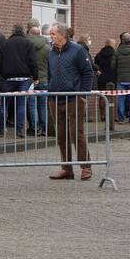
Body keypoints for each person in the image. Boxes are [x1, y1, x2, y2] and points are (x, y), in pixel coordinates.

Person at [47, 22, 94, 181]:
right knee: (61, 135)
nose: (51, 36)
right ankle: (66, 168)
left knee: (76, 133)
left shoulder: (78, 51)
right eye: (50, 34)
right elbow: (50, 73)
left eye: (53, 34)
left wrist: (83, 94)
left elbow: (88, 72)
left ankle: (86, 166)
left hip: (74, 98)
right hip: (55, 98)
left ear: (62, 34)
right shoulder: (51, 52)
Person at [0, 23, 37, 139]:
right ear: (23, 32)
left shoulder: (5, 44)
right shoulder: (28, 43)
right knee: (21, 105)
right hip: (24, 79)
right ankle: (19, 131)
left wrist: (4, 74)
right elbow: (33, 62)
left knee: (4, 105)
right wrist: (35, 77)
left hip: (9, 79)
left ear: (13, 31)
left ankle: (1, 130)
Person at [27, 26, 51, 137]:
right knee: (43, 106)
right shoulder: (47, 48)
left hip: (30, 80)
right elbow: (51, 65)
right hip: (43, 79)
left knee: (32, 105)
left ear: (30, 34)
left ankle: (35, 128)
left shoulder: (26, 46)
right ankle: (45, 129)